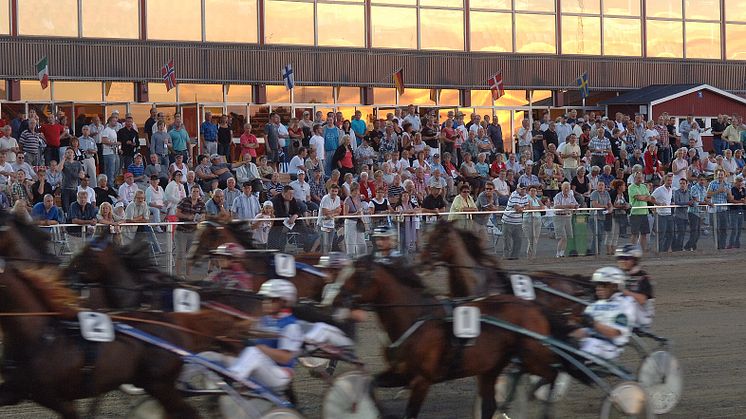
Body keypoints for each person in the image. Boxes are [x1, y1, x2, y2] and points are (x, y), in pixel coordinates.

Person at [228, 279, 302, 392]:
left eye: (272, 300)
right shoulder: (263, 320)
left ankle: (234, 377)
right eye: (265, 299)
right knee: (218, 356)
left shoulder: (291, 325)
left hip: (281, 374)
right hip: (263, 367)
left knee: (255, 352)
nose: (266, 303)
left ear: (284, 302)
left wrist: (262, 349)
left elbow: (285, 358)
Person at [573, 267, 636, 360]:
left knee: (589, 346)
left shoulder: (625, 304)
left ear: (615, 286)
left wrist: (592, 323)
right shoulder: (595, 304)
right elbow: (582, 331)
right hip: (590, 342)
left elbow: (615, 333)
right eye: (597, 285)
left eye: (603, 285)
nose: (598, 288)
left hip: (609, 347)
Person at [615, 244, 655, 329]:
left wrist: (622, 291)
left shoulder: (643, 277)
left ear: (635, 260)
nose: (622, 261)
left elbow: (642, 300)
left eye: (626, 258)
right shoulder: (619, 275)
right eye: (620, 258)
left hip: (642, 317)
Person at [174, 186, 205, 278]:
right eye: (194, 191)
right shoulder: (184, 201)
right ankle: (178, 275)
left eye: (197, 191)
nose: (195, 193)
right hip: (181, 231)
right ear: (190, 192)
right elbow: (177, 213)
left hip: (193, 231)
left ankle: (188, 275)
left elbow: (203, 215)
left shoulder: (201, 204)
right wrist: (187, 217)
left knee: (190, 255)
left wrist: (200, 218)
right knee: (180, 253)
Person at [629, 172, 654, 253]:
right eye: (638, 178)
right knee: (634, 234)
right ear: (634, 178)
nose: (640, 179)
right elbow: (638, 197)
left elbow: (649, 197)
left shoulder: (643, 186)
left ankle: (642, 251)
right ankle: (632, 252)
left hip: (644, 212)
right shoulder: (631, 187)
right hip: (635, 213)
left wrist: (643, 197)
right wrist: (644, 197)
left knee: (644, 234)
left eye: (641, 178)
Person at [501, 184, 528, 260]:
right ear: (517, 189)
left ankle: (515, 258)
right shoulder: (514, 195)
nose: (523, 190)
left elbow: (527, 206)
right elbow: (517, 209)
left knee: (518, 240)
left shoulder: (526, 196)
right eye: (521, 189)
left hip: (518, 222)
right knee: (507, 241)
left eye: (524, 189)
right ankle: (506, 258)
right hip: (508, 221)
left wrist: (523, 208)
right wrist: (523, 208)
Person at [707, 169, 731, 250]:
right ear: (716, 175)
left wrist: (728, 193)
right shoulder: (712, 183)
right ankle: (717, 246)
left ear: (724, 176)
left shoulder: (727, 184)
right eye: (719, 175)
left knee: (724, 229)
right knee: (715, 229)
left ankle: (723, 246)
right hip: (715, 210)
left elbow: (730, 198)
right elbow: (708, 194)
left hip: (723, 210)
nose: (720, 176)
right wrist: (718, 191)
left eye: (722, 175)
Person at [553, 181, 578, 258]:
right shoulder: (558, 196)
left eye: (568, 188)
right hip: (559, 216)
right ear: (562, 188)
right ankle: (557, 253)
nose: (566, 190)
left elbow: (575, 204)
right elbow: (556, 206)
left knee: (567, 236)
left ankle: (562, 253)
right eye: (565, 188)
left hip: (568, 216)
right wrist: (568, 206)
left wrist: (575, 206)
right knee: (562, 236)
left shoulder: (571, 196)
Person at [651, 174, 674, 252]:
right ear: (664, 180)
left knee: (670, 234)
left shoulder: (671, 190)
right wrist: (659, 204)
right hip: (661, 214)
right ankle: (660, 251)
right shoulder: (659, 189)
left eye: (670, 180)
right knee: (662, 234)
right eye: (668, 180)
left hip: (669, 213)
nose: (669, 182)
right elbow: (651, 198)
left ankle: (665, 250)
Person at [318, 183, 342, 253]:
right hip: (322, 223)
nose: (334, 193)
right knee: (324, 244)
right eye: (333, 191)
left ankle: (327, 258)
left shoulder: (338, 198)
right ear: (329, 191)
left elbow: (339, 212)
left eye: (336, 191)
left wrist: (331, 213)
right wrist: (335, 211)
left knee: (330, 244)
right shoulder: (325, 198)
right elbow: (325, 212)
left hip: (331, 223)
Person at [523, 185, 545, 259]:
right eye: (531, 190)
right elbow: (529, 207)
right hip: (529, 220)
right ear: (528, 192)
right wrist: (538, 208)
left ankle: (532, 256)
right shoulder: (526, 198)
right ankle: (530, 256)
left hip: (537, 219)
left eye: (534, 191)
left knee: (535, 239)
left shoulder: (537, 199)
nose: (533, 192)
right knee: (531, 239)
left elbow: (543, 207)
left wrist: (537, 208)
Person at [728, 176, 746, 249]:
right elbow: (731, 200)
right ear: (735, 183)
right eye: (738, 183)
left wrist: (743, 200)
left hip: (741, 210)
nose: (740, 185)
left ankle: (737, 244)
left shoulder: (743, 189)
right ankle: (731, 244)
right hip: (733, 211)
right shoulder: (732, 190)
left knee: (739, 229)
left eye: (741, 183)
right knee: (734, 229)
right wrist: (741, 201)